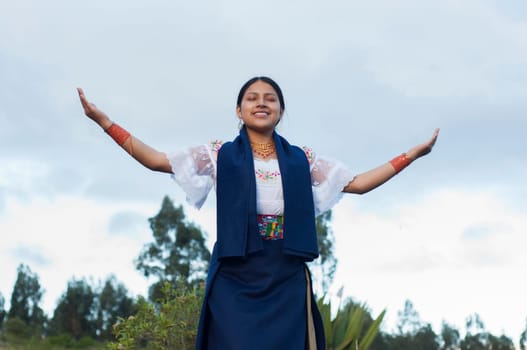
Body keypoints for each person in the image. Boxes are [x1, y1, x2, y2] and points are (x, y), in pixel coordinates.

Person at [77, 76, 439, 350]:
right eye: (252, 98)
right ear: (239, 110)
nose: (261, 103)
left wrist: (411, 155)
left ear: (281, 110)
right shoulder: (219, 153)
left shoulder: (302, 159)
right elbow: (156, 160)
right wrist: (104, 122)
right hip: (236, 274)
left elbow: (357, 183)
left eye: (270, 99)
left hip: (284, 273)